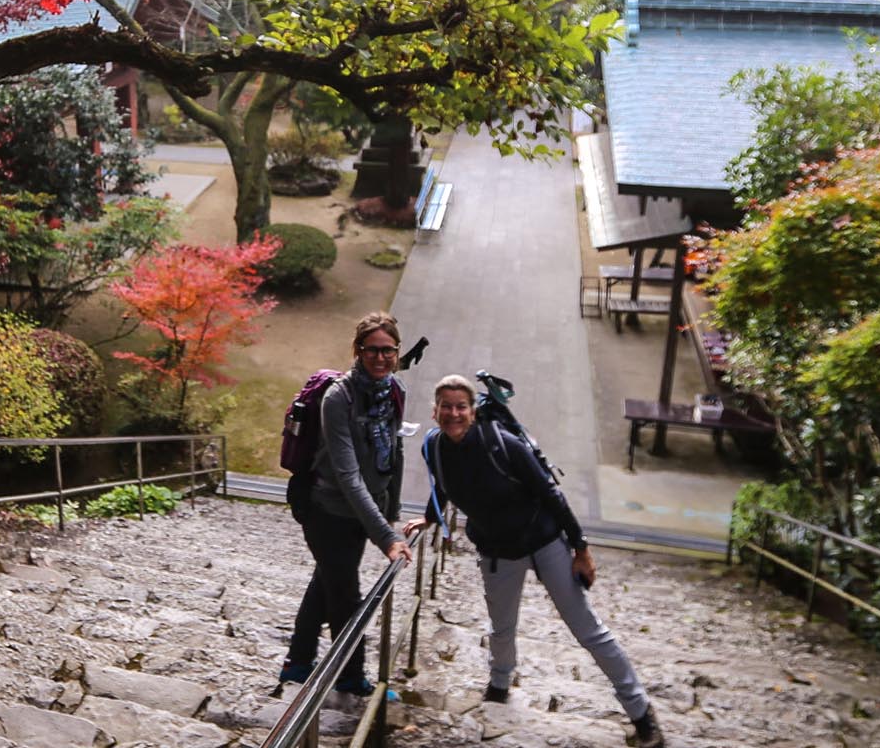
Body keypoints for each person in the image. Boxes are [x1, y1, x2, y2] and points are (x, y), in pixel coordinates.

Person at [405, 375, 664, 748]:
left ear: (473, 412)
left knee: (587, 629)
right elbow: (443, 486)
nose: (453, 413)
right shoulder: (434, 447)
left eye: (461, 406)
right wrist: (430, 517)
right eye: (446, 406)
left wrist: (581, 548)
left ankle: (641, 714)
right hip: (496, 550)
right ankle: (498, 685)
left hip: (544, 543)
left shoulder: (503, 445)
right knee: (501, 627)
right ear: (435, 411)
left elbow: (550, 493)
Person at [280, 312, 413, 696]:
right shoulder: (339, 398)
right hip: (327, 510)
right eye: (372, 350)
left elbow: (395, 452)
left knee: (327, 581)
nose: (381, 357)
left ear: (397, 352)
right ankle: (351, 677)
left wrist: (391, 512)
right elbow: (347, 474)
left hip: (363, 511)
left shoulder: (395, 391)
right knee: (346, 595)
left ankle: (297, 662)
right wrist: (386, 536)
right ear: (358, 350)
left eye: (388, 350)